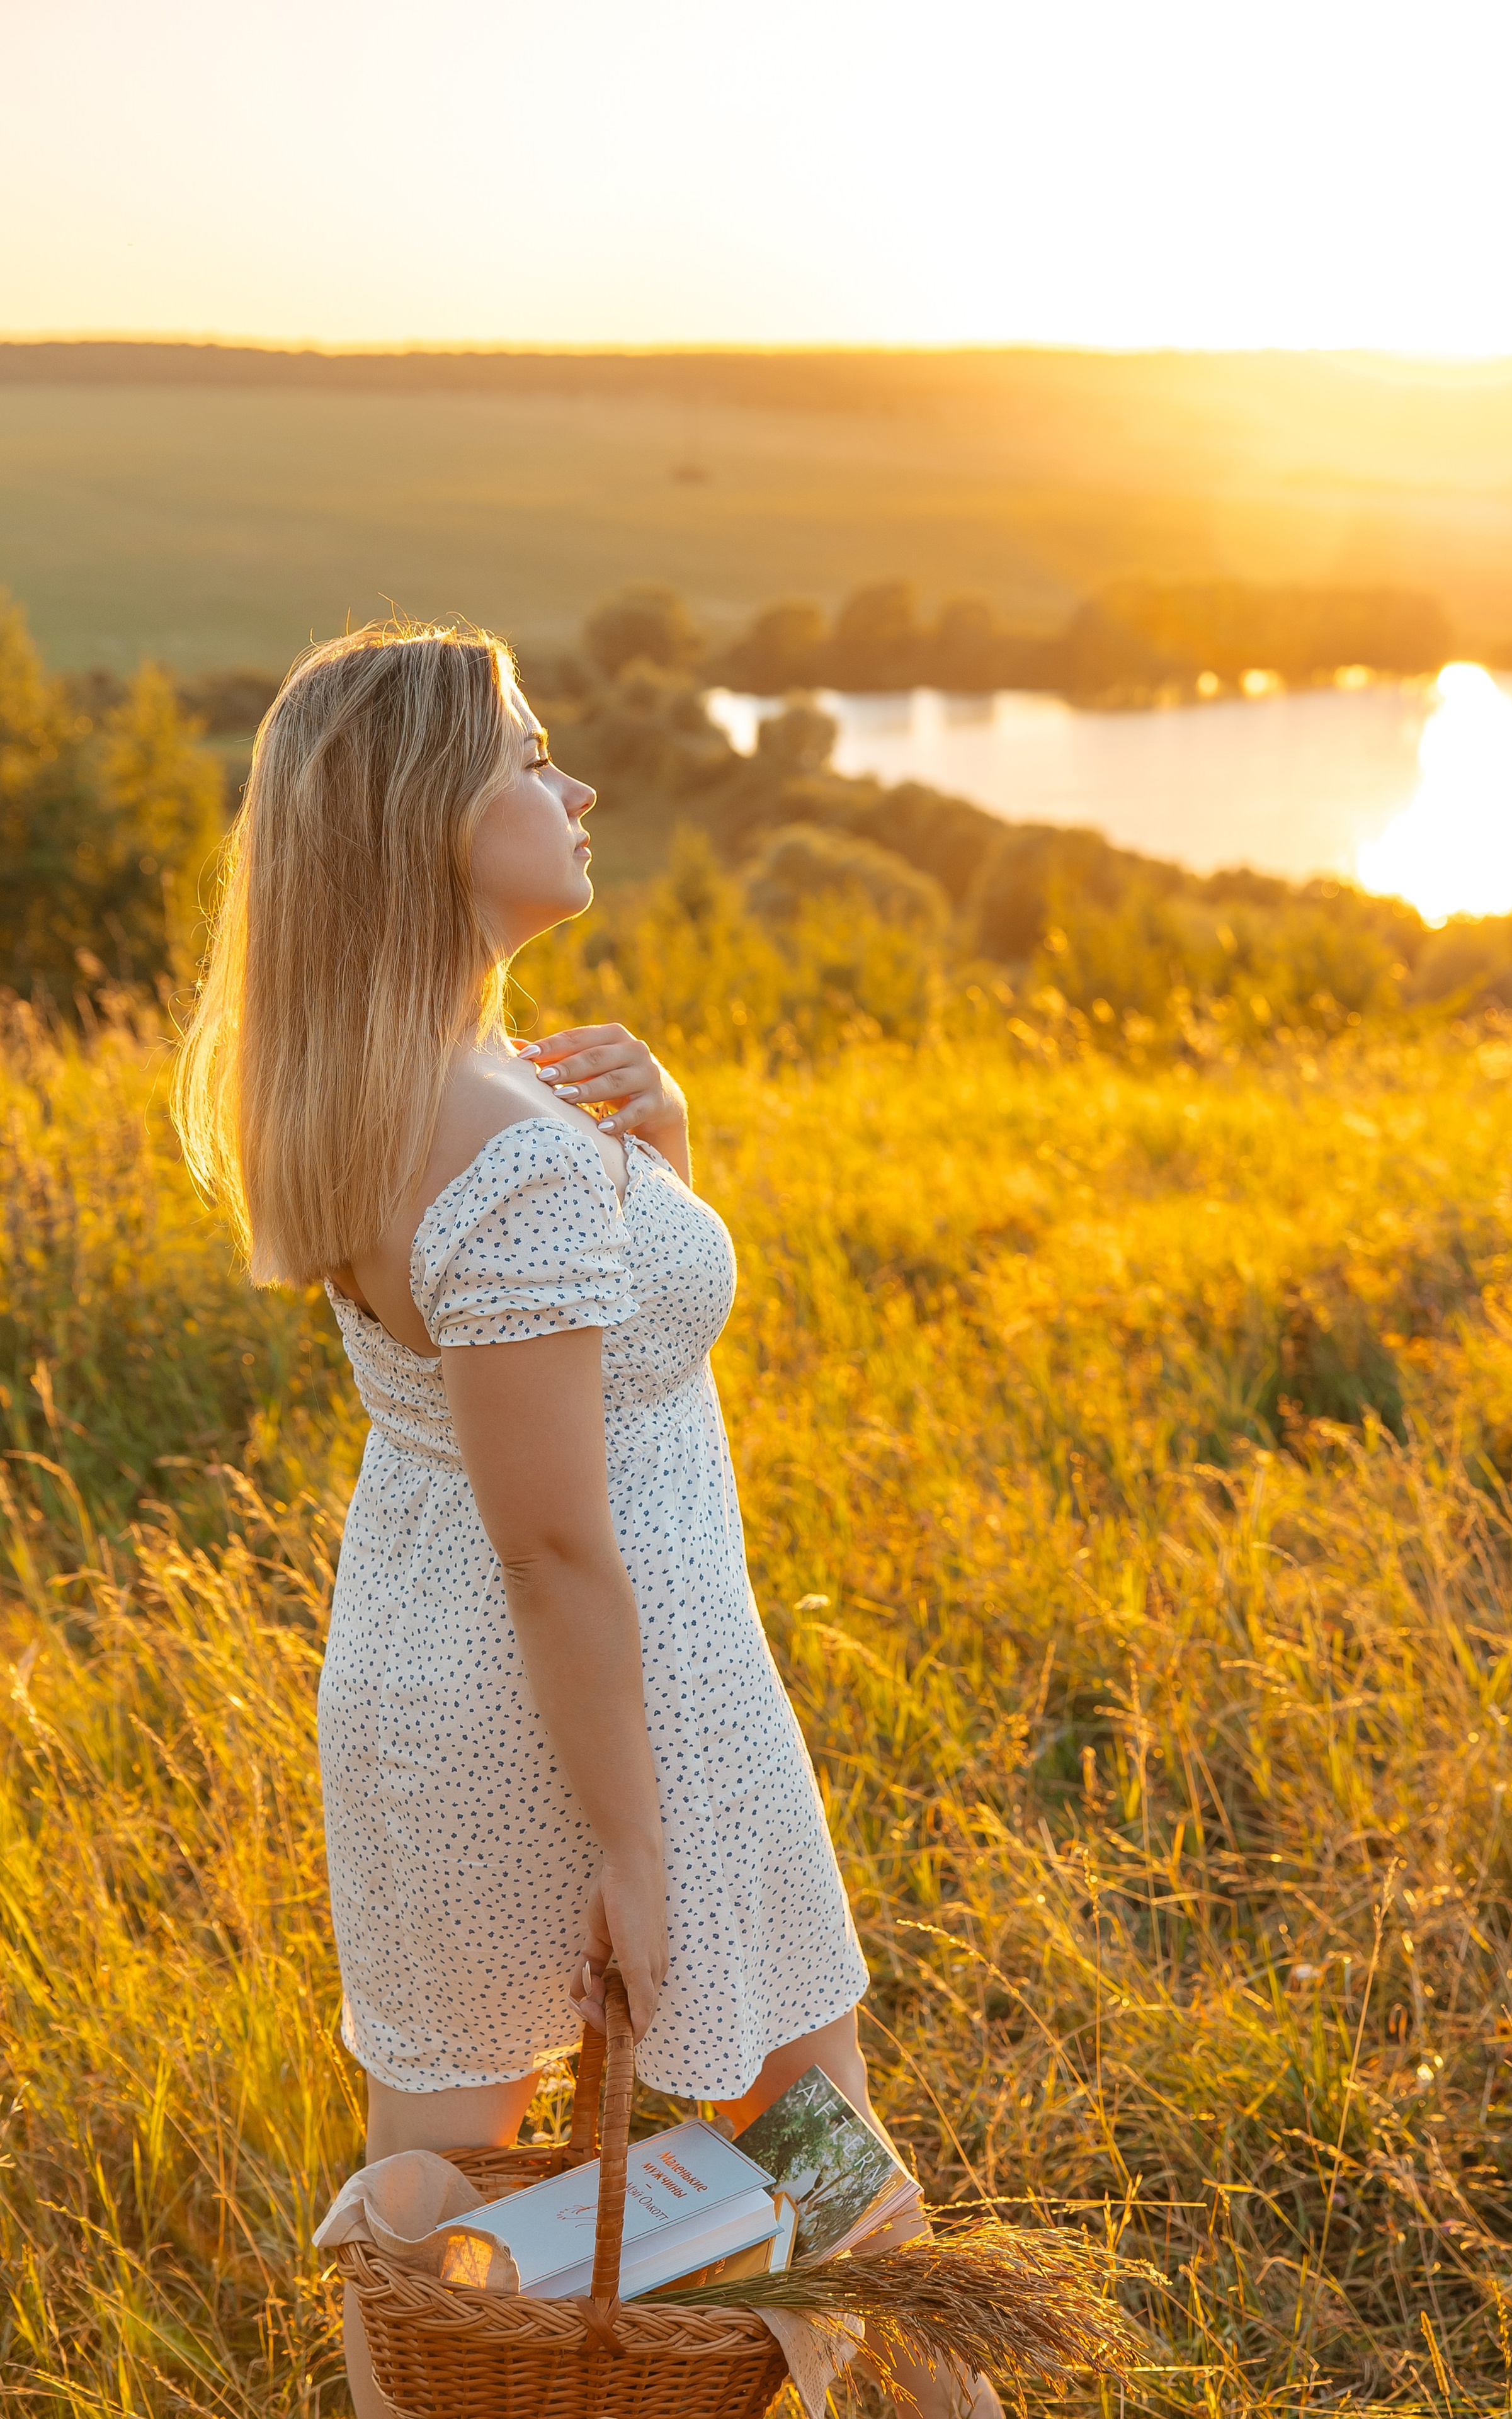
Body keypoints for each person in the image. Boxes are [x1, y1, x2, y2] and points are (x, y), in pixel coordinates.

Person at [175, 620, 1001, 2418]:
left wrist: (665, 1150)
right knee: (828, 2158)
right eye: (534, 756)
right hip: (618, 1695)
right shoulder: (515, 1147)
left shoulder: (385, 1095)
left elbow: (597, 1386)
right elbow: (560, 1547)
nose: (581, 783)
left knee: (434, 2213)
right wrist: (634, 1842)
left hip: (423, 1693)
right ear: (427, 823)